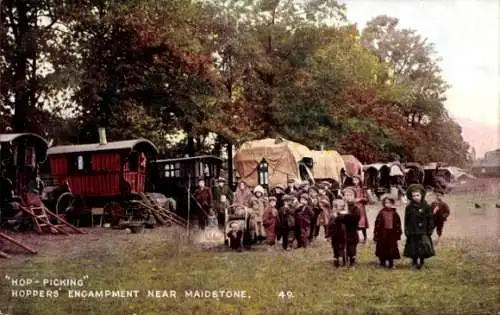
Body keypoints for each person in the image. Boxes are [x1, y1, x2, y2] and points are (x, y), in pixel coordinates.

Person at [403, 184, 435, 270]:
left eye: (417, 195)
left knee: (423, 247)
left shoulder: (426, 206)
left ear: (422, 195)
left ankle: (421, 261)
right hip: (413, 231)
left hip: (423, 231)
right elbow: (406, 220)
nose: (415, 197)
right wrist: (407, 230)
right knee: (413, 247)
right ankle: (414, 261)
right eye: (413, 195)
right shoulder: (409, 207)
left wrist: (430, 230)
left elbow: (430, 219)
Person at [374, 196, 402, 269]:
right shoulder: (381, 213)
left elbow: (398, 223)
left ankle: (391, 262)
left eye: (389, 203)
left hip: (391, 233)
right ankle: (382, 262)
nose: (387, 204)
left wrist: (398, 232)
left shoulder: (395, 213)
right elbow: (377, 224)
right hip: (383, 233)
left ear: (392, 203)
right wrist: (376, 234)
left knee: (391, 248)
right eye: (386, 203)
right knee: (382, 247)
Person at [341, 187, 362, 267]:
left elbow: (356, 217)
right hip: (343, 230)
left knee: (352, 247)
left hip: (352, 230)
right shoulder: (342, 206)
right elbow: (338, 217)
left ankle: (352, 261)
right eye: (346, 195)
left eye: (350, 195)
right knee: (343, 246)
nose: (348, 197)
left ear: (354, 197)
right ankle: (344, 260)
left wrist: (346, 215)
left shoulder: (355, 208)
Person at [326, 198, 348, 267]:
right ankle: (336, 260)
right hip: (335, 234)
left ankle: (344, 260)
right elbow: (329, 225)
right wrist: (328, 235)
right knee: (335, 247)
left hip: (342, 234)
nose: (342, 207)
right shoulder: (332, 215)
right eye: (340, 206)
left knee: (342, 247)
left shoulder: (345, 214)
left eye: (342, 206)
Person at [352, 175, 369, 243]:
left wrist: (360, 199)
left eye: (356, 180)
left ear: (359, 180)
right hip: (354, 207)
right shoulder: (352, 189)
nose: (355, 181)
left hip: (361, 208)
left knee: (362, 224)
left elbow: (366, 199)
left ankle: (365, 238)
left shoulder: (363, 189)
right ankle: (357, 238)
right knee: (354, 223)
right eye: (354, 180)